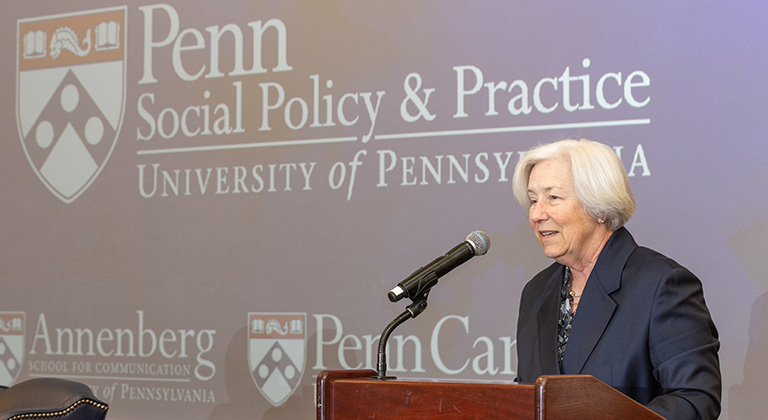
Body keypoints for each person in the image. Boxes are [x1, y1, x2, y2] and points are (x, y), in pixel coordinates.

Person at [511, 139, 721, 420]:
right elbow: (528, 395)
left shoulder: (662, 285)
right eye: (533, 200)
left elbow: (695, 399)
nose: (536, 214)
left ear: (598, 206)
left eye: (553, 198)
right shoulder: (537, 292)